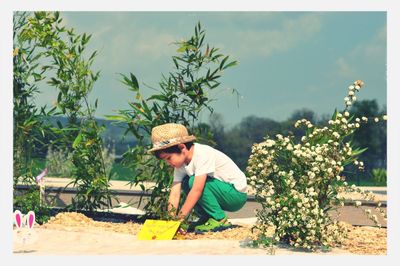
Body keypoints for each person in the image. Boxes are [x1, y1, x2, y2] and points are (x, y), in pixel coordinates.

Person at [148, 123, 248, 233]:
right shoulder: (180, 165)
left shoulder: (202, 153)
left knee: (192, 182)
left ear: (182, 147)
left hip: (235, 195)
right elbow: (175, 193)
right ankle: (206, 217)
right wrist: (170, 221)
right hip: (221, 192)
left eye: (169, 158)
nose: (168, 163)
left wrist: (180, 219)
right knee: (186, 182)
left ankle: (220, 219)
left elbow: (197, 189)